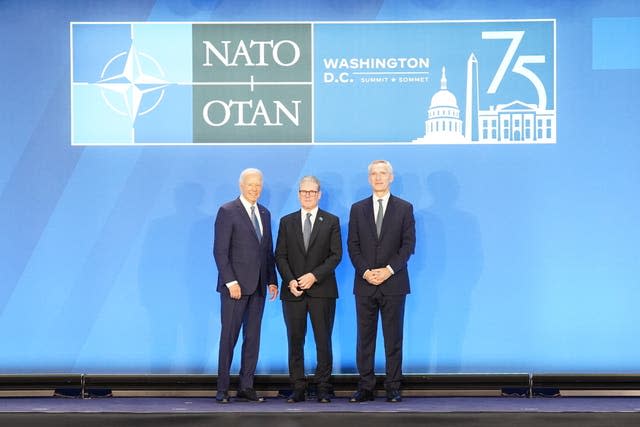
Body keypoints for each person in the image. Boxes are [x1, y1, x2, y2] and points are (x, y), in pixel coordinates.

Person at [347, 160, 416, 403]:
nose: (378, 178)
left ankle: (393, 386)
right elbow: (352, 245)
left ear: (391, 177)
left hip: (394, 283)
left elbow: (408, 246)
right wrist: (366, 272)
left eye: (382, 173)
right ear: (369, 178)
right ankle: (365, 386)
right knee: (364, 338)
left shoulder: (405, 208)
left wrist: (387, 270)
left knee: (393, 338)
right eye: (374, 174)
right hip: (364, 283)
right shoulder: (357, 209)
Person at [213, 168, 278, 403]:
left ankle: (246, 386)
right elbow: (220, 251)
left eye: (258, 185)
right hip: (235, 288)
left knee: (252, 339)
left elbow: (267, 251)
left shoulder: (265, 213)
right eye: (250, 185)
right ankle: (222, 389)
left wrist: (272, 280)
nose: (255, 189)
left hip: (259, 287)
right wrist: (231, 281)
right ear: (241, 185)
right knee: (229, 338)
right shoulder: (227, 211)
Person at [275, 176, 342, 403]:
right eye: (304, 191)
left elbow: (335, 256)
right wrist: (290, 280)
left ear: (319, 194)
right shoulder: (286, 221)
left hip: (322, 290)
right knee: (295, 340)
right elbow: (280, 255)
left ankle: (323, 386)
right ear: (298, 194)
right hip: (292, 292)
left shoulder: (331, 221)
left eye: (312, 192)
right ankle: (298, 387)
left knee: (323, 340)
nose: (308, 195)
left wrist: (314, 276)